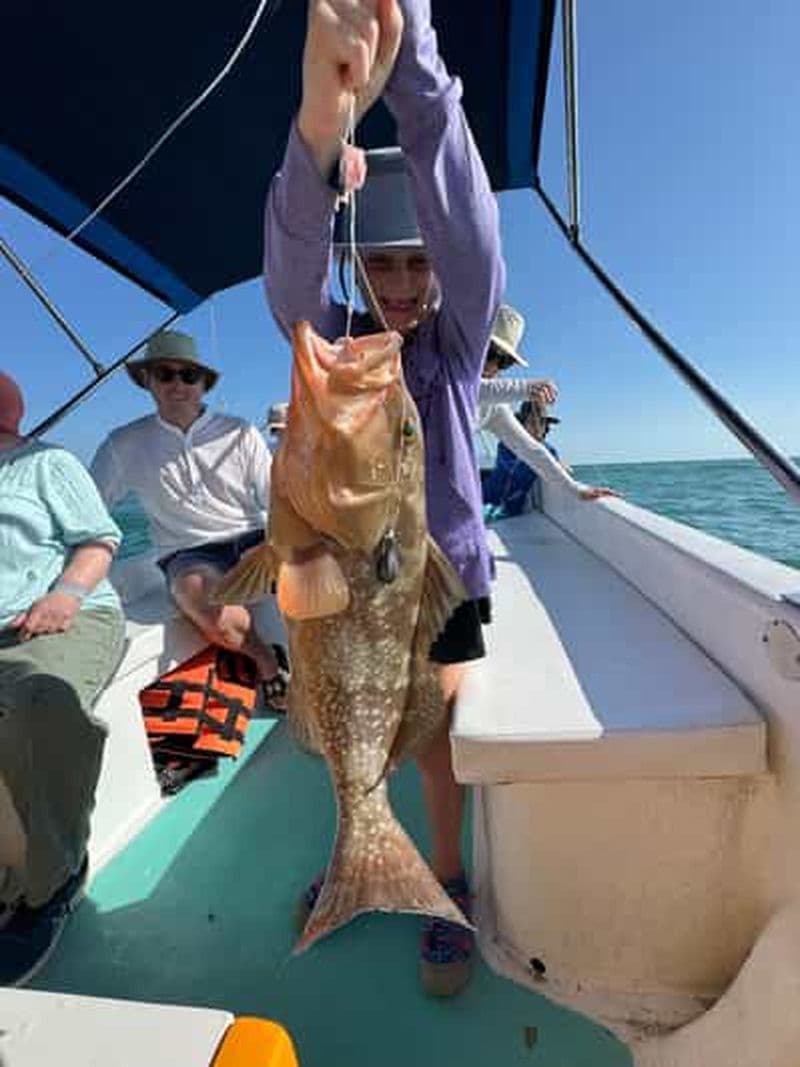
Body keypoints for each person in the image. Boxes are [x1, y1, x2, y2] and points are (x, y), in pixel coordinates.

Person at [265, 0, 501, 995]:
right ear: (360, 264)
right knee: (339, 719)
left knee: (433, 732)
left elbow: (470, 241)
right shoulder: (338, 347)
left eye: (417, 264)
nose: (404, 281)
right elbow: (289, 277)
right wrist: (319, 132)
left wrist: (416, 72)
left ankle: (441, 871)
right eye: (386, 261)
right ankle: (361, 852)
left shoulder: (447, 352)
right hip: (341, 576)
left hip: (438, 583)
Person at [0, 370, 125, 986]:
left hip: (58, 620)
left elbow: (100, 540)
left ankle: (52, 881)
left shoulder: (46, 463)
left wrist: (66, 595)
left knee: (39, 701)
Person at [90, 330, 288, 708]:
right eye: (164, 374)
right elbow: (87, 509)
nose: (177, 384)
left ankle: (332, 674)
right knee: (198, 594)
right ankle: (268, 665)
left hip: (253, 538)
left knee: (326, 574)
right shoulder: (122, 444)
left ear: (204, 383)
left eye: (188, 375)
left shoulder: (240, 433)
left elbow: (276, 502)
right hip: (189, 555)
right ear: (147, 380)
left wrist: (271, 548)